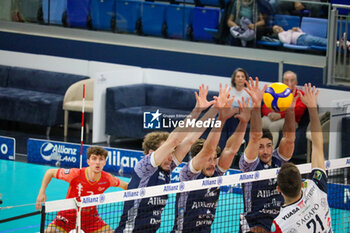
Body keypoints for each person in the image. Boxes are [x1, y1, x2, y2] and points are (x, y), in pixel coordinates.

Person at [115, 84, 232, 233]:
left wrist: (215, 109)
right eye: (167, 152)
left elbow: (190, 140)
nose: (172, 157)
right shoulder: (144, 168)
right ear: (152, 152)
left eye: (172, 153)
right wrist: (196, 111)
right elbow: (174, 141)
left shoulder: (167, 168)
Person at [172, 96, 251, 232]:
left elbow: (231, 150)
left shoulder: (216, 174)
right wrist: (221, 119)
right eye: (208, 159)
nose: (213, 163)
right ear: (196, 158)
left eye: (214, 158)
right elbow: (208, 149)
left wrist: (243, 123)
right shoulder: (188, 174)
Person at [271, 83, 332, 233]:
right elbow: (317, 146)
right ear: (301, 182)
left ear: (278, 189)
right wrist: (312, 107)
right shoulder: (315, 187)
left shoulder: (279, 224)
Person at [239, 77, 296, 233]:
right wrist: (256, 106)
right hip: (253, 224)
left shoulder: (278, 159)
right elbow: (255, 136)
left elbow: (289, 138)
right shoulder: (249, 164)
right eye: (261, 147)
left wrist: (290, 110)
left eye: (269, 146)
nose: (265, 151)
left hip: (279, 220)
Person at [36, 146, 128, 233]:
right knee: (49, 232)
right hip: (67, 215)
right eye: (94, 158)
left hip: (90, 218)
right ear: (88, 161)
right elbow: (50, 172)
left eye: (101, 159)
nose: (97, 162)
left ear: (104, 162)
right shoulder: (75, 174)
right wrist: (41, 192)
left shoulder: (107, 178)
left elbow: (126, 186)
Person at [262, 70, 307, 148]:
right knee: (258, 123)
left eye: (292, 80)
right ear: (283, 81)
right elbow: (265, 106)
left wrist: (280, 115)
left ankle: (270, 153)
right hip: (272, 117)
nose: (289, 83)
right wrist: (270, 114)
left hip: (291, 120)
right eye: (286, 80)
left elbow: (299, 110)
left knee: (273, 126)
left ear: (296, 82)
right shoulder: (277, 91)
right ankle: (253, 152)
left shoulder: (300, 94)